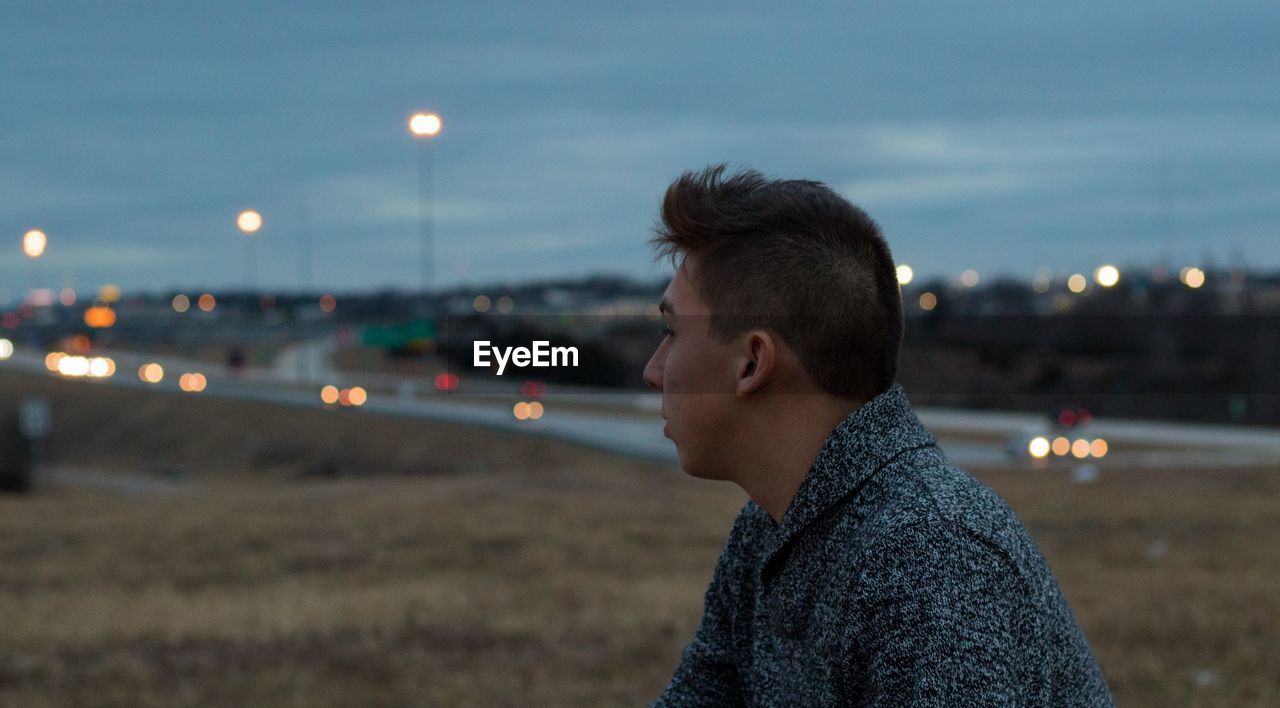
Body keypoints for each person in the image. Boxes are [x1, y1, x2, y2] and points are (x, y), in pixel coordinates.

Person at [644, 165, 1112, 706]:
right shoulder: (769, 529)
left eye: (672, 333)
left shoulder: (933, 556)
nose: (653, 371)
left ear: (751, 362)